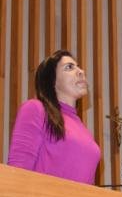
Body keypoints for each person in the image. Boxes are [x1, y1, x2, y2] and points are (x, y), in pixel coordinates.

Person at [8, 49, 100, 184]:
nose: (81, 71)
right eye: (69, 67)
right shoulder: (35, 109)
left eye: (78, 66)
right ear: (52, 81)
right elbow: (18, 171)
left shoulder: (83, 130)